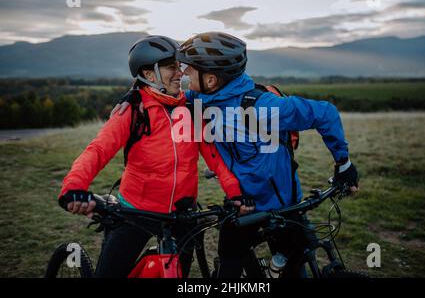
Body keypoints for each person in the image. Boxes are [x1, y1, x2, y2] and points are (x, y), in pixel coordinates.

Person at [113, 32, 359, 278]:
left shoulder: (262, 107)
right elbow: (164, 95)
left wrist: (344, 163)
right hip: (240, 206)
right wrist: (136, 91)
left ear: (210, 79)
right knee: (228, 269)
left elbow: (325, 113)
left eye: (190, 68)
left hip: (284, 208)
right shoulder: (200, 99)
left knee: (294, 270)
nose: (184, 73)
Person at [57, 35, 251, 278]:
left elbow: (213, 157)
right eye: (171, 66)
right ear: (149, 75)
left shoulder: (190, 110)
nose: (179, 73)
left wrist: (235, 193)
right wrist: (75, 185)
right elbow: (98, 150)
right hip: (136, 213)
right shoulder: (133, 109)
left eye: (179, 66)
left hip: (183, 214)